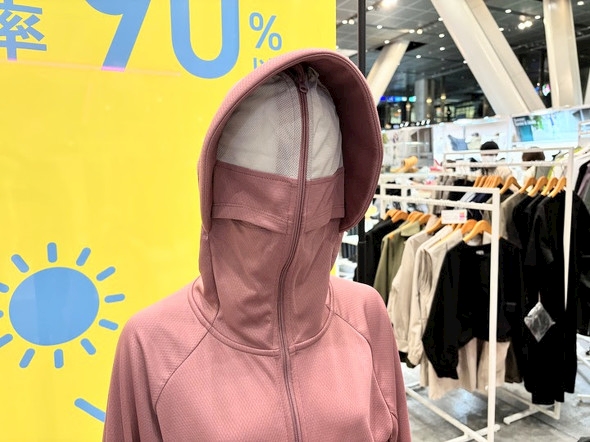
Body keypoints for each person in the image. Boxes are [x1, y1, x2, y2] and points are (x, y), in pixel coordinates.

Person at [102, 49, 411, 441]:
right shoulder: (152, 343)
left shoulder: (365, 314)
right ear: (217, 185)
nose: (294, 182)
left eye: (319, 162)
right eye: (268, 162)